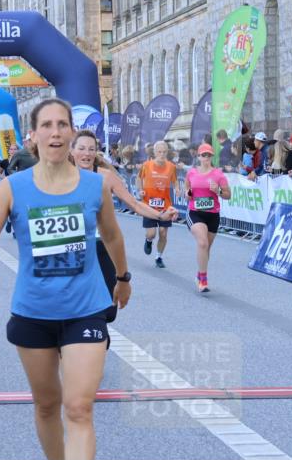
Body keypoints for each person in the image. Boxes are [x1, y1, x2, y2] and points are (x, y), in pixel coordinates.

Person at [0, 98, 131, 460]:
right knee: (46, 404)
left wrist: (124, 277)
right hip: (34, 313)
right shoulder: (13, 188)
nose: (56, 133)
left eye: (63, 125)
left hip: (85, 310)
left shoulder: (94, 185)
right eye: (47, 126)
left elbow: (112, 235)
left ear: (72, 133)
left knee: (78, 407)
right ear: (33, 136)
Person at [72, 130, 174, 320]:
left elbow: (134, 203)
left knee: (109, 311)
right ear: (72, 151)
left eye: (91, 149)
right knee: (76, 306)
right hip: (73, 248)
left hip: (101, 245)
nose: (86, 154)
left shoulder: (105, 177)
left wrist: (160, 215)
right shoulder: (61, 176)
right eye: (81, 149)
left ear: (96, 152)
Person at [185, 143, 231, 293]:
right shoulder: (191, 173)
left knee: (206, 248)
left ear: (212, 157)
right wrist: (188, 194)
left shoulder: (218, 174)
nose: (206, 158)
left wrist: (217, 190)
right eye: (203, 155)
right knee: (203, 243)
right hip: (195, 212)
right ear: (198, 157)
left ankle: (200, 273)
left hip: (212, 215)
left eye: (208, 155)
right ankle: (203, 279)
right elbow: (187, 190)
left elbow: (228, 195)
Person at [137, 140, 180, 268]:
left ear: (167, 152)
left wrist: (177, 189)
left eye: (164, 152)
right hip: (149, 206)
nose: (162, 154)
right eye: (159, 152)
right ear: (154, 152)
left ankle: (159, 257)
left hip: (165, 206)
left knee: (163, 233)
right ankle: (148, 240)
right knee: (151, 233)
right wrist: (140, 190)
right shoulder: (146, 165)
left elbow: (176, 181)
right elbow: (139, 178)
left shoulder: (171, 166)